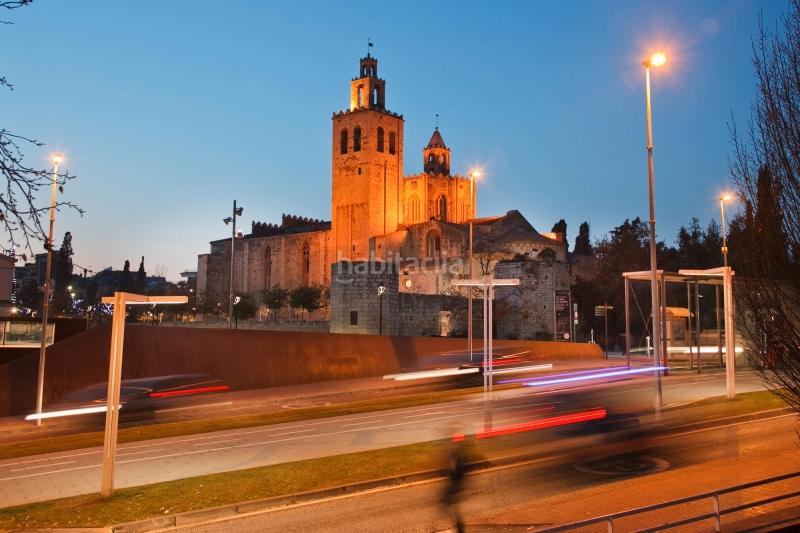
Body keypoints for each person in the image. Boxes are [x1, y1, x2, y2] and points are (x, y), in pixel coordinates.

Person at [441, 431, 469, 532]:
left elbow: (460, 472)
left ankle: (459, 527)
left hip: (456, 486)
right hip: (453, 485)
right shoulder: (453, 454)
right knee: (451, 507)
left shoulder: (460, 457)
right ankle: (459, 526)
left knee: (450, 506)